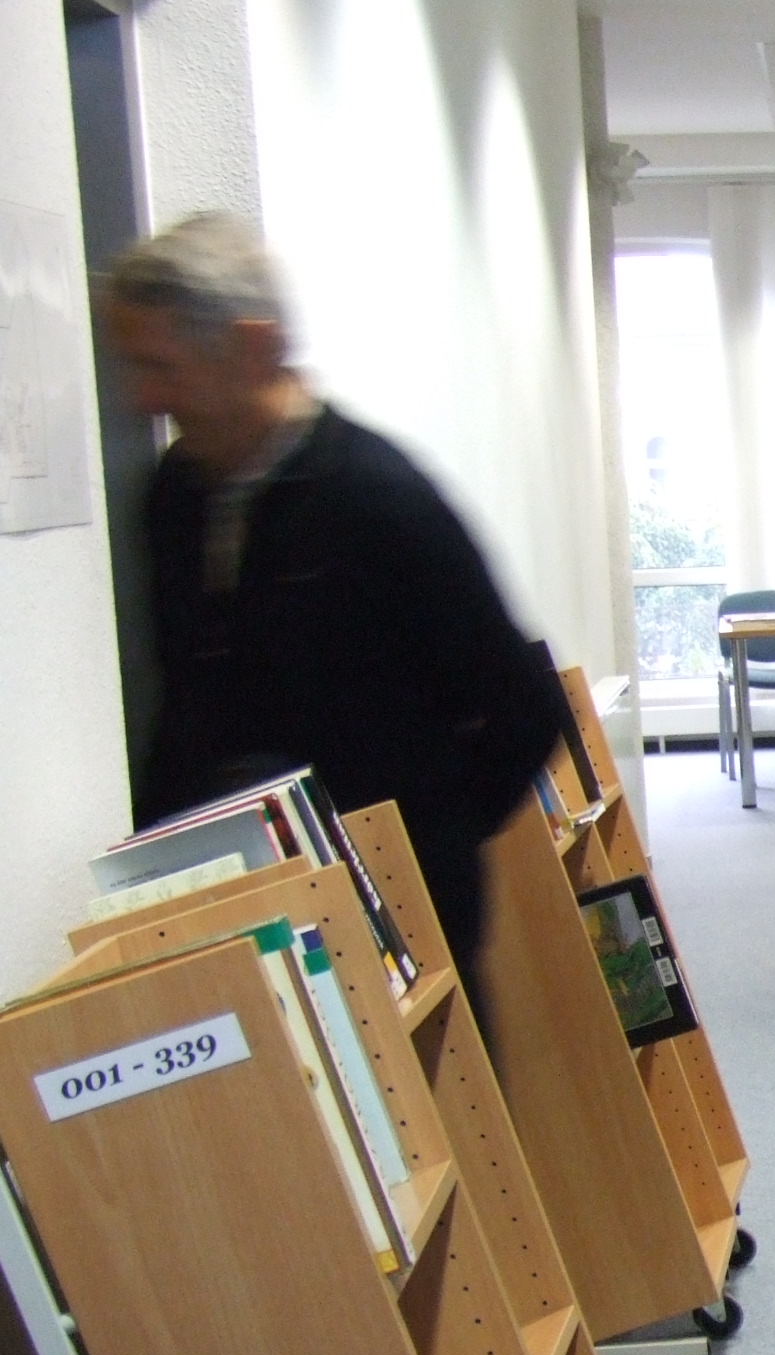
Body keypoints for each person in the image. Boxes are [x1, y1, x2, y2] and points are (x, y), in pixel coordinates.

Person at [103, 211, 564, 991]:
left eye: (162, 367)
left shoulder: (378, 498)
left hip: (401, 932)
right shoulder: (173, 499)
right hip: (234, 927)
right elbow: (180, 703)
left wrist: (423, 845)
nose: (142, 397)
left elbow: (524, 710)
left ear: (254, 347)